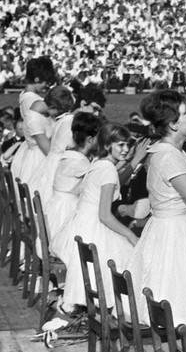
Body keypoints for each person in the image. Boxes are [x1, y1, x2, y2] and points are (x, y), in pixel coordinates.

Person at [127, 91, 186, 327]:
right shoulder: (169, 157)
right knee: (181, 298)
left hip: (170, 227)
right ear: (173, 124)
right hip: (177, 234)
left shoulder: (168, 151)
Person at [50, 123, 138, 319]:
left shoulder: (98, 163)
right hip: (95, 226)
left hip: (82, 222)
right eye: (121, 145)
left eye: (127, 145)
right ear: (108, 145)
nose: (126, 150)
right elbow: (105, 215)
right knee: (131, 257)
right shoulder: (108, 170)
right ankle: (121, 313)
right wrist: (130, 234)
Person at [43, 111, 100, 240]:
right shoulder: (77, 162)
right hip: (65, 213)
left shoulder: (69, 154)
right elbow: (98, 177)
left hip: (56, 207)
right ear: (90, 139)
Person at [11, 56, 57, 191]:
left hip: (34, 146)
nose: (47, 86)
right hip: (40, 150)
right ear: (37, 79)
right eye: (46, 82)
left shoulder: (25, 95)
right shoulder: (33, 100)